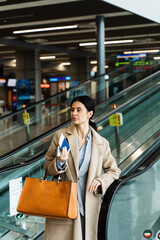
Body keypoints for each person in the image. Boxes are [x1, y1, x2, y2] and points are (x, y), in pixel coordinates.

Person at [43, 95, 121, 240]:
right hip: (64, 201)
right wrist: (59, 162)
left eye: (79, 110)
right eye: (72, 110)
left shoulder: (101, 143)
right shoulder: (61, 136)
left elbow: (114, 170)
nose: (74, 113)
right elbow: (47, 166)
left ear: (89, 114)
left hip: (89, 204)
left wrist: (101, 180)